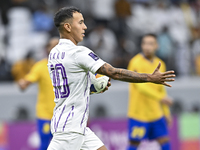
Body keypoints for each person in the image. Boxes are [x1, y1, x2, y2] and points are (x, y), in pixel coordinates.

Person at [47, 7, 175, 150]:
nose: (85, 27)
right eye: (81, 22)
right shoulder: (78, 52)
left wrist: (94, 87)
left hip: (75, 126)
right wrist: (149, 78)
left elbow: (72, 86)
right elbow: (114, 73)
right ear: (68, 27)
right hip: (70, 130)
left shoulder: (54, 54)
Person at [127, 33, 173, 150]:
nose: (147, 47)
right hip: (139, 114)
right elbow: (140, 86)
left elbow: (161, 88)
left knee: (165, 142)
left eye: (151, 44)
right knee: (134, 145)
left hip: (156, 114)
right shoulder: (135, 62)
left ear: (157, 46)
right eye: (145, 43)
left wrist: (166, 113)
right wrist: (160, 97)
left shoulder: (160, 64)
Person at [17, 37, 59, 150]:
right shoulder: (40, 66)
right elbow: (29, 79)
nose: (55, 48)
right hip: (45, 114)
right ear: (47, 49)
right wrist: (23, 83)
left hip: (63, 115)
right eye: (52, 45)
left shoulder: (68, 66)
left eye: (58, 45)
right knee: (45, 145)